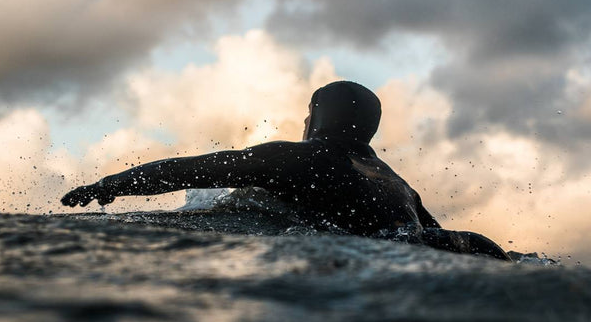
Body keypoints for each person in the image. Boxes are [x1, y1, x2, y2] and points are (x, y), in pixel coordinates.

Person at [61, 81, 511, 261]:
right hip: (447, 247)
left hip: (370, 258)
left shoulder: (296, 159)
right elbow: (427, 236)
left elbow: (190, 171)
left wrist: (109, 185)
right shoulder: (396, 180)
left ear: (314, 120)